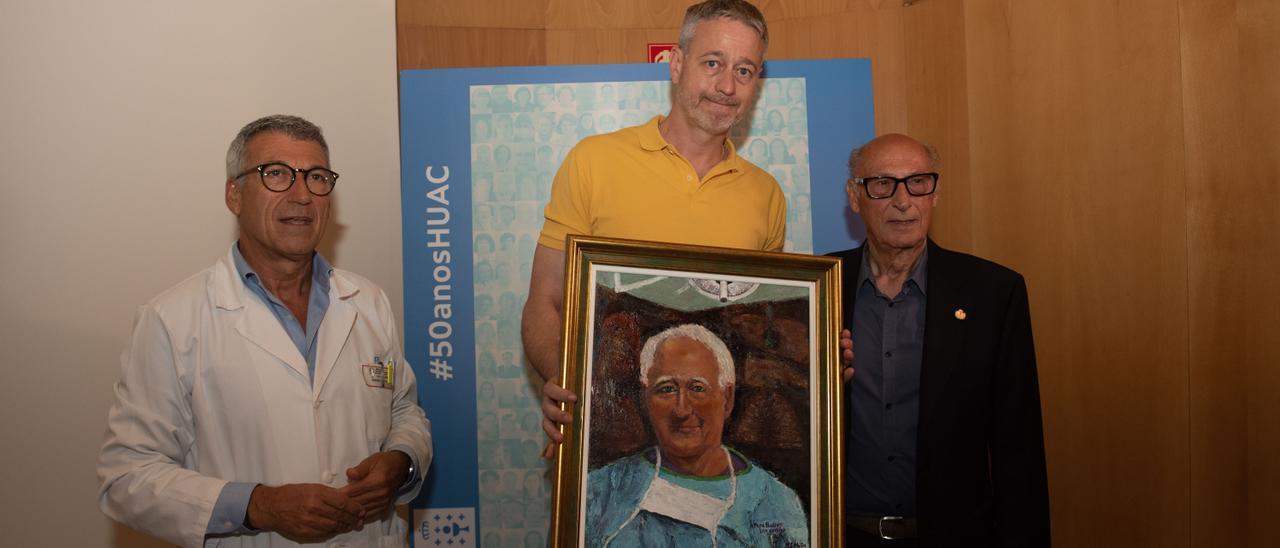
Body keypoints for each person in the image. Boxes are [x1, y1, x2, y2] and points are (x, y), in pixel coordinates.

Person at [97, 115, 432, 547]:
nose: (301, 195)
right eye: (275, 174)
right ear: (234, 195)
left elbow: (404, 410)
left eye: (316, 177)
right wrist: (259, 505)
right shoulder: (171, 320)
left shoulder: (368, 302)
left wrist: (401, 461)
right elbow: (127, 476)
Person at [522, 0, 787, 456]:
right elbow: (545, 302)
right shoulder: (593, 161)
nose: (727, 86)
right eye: (712, 63)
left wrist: (814, 353)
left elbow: (757, 332)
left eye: (744, 71)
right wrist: (561, 378)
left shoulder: (767, 194)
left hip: (708, 443)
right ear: (677, 64)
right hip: (605, 436)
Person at [830, 134, 1049, 546]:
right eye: (882, 184)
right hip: (842, 535)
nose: (903, 200)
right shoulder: (818, 290)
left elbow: (1018, 449)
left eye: (918, 182)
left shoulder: (993, 294)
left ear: (936, 193)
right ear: (854, 196)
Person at [585, 324, 808, 547]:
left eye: (698, 388)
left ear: (727, 399)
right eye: (667, 388)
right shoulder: (599, 491)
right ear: (645, 398)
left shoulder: (775, 502)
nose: (682, 410)